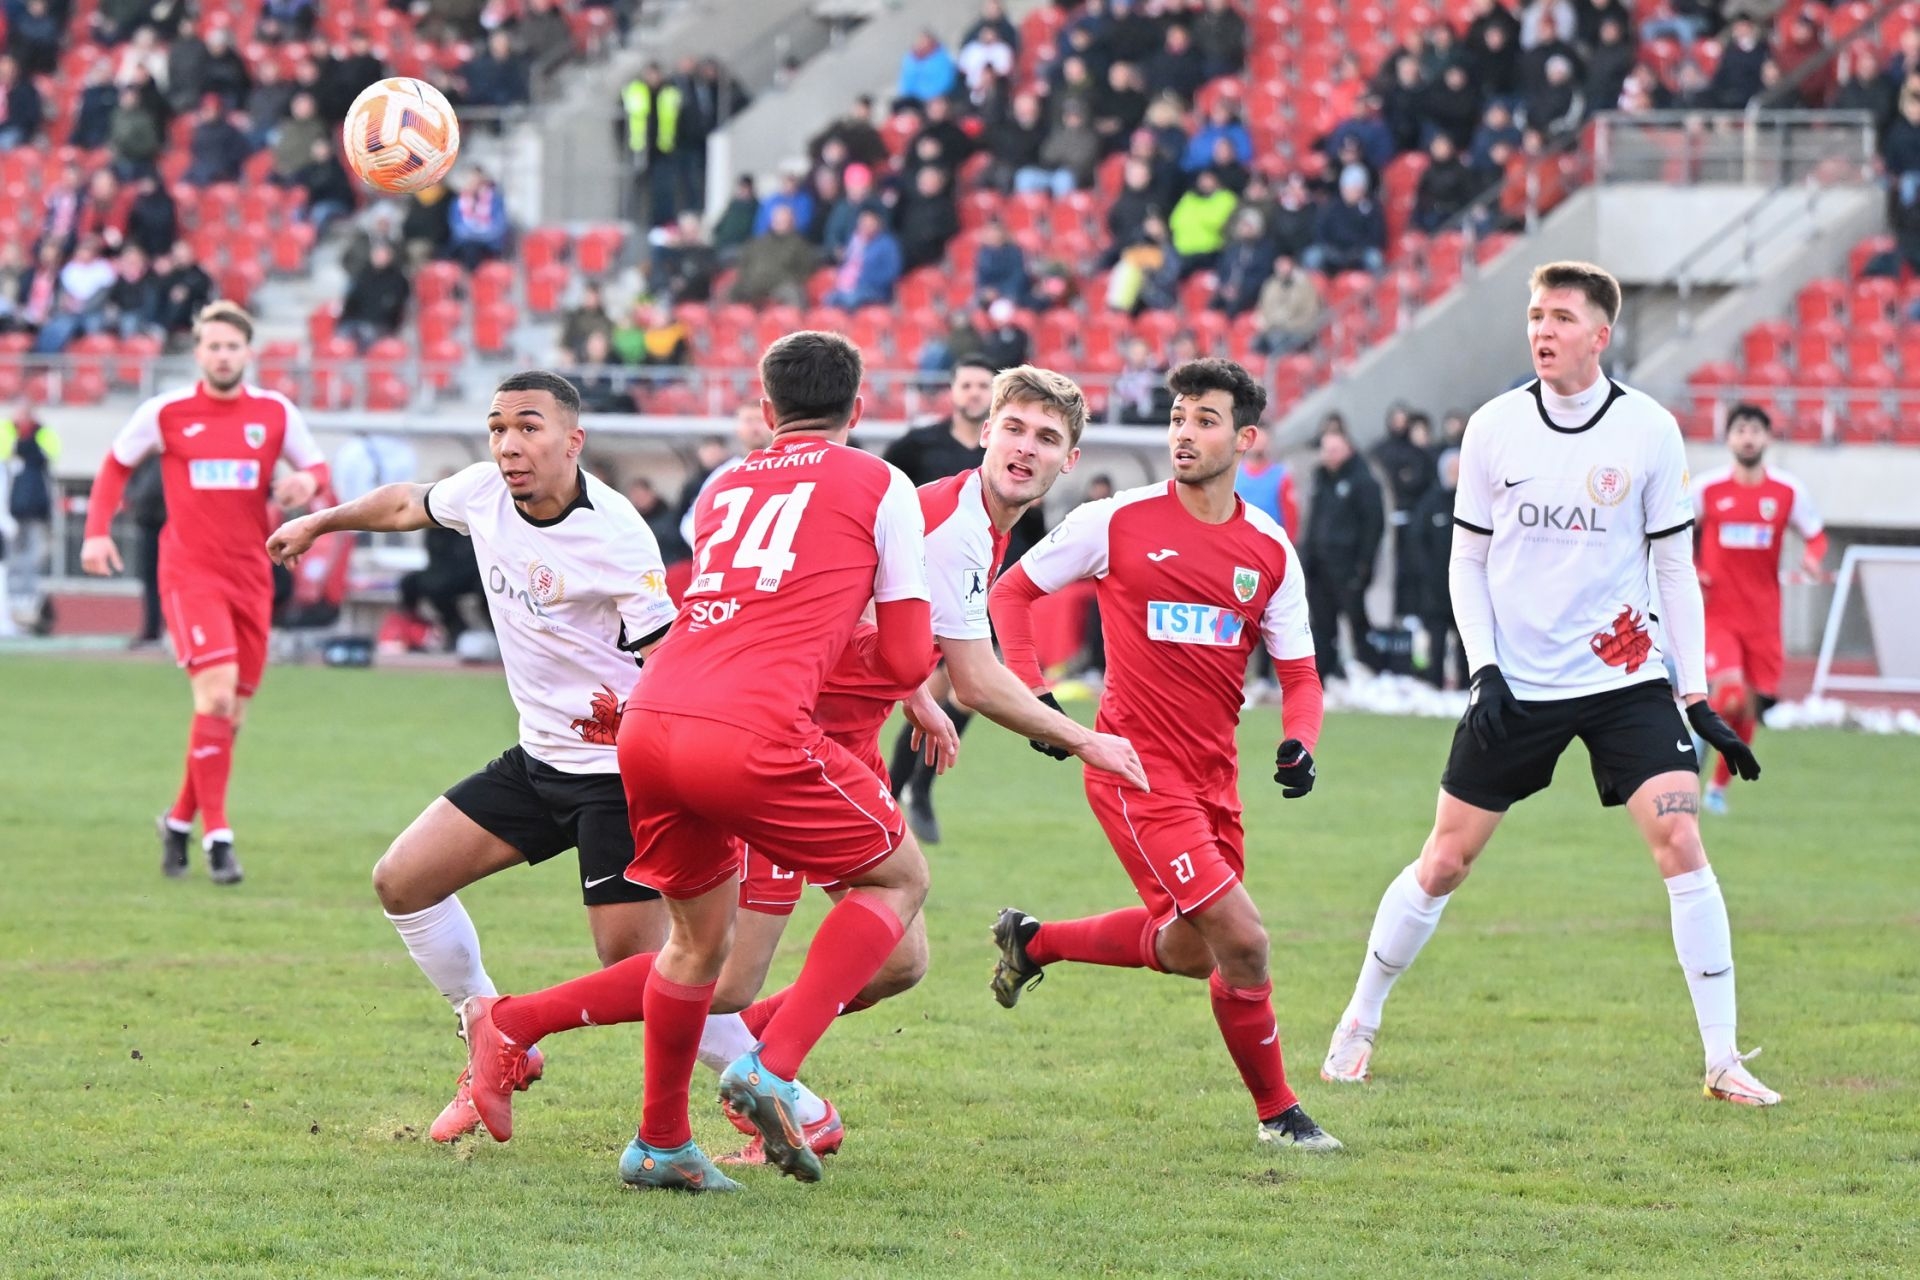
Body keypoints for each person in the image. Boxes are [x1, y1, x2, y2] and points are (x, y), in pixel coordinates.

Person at [456, 332, 937, 1192]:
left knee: (696, 948)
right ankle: (772, 1067)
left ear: (767, 409)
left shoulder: (724, 485)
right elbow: (904, 661)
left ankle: (659, 1142)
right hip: (755, 730)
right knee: (898, 882)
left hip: (652, 719)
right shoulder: (882, 482)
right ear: (859, 409)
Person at [265, 370, 783, 1142]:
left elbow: (668, 658)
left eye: (529, 427)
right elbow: (406, 502)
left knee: (645, 972)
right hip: (539, 763)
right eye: (498, 427)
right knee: (403, 880)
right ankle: (489, 1033)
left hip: (619, 777)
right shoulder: (481, 493)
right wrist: (320, 522)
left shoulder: (615, 533)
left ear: (573, 441)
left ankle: (783, 1095)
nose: (509, 443)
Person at [1320, 261, 1775, 1108]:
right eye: (1536, 315)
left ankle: (1722, 1060)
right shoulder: (1494, 427)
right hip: (1517, 684)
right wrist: (1484, 668)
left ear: (1601, 334)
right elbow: (1467, 560)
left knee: (1681, 840)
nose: (1543, 330)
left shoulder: (1648, 430)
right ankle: (1359, 1019)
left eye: (1562, 317)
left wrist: (1694, 695)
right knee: (1444, 861)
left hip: (1625, 677)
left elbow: (1675, 570)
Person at [714, 367, 1146, 1165]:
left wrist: (912, 691)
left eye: (1046, 437)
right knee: (722, 978)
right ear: (984, 432)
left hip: (843, 742)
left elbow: (874, 607)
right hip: (792, 741)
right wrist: (1087, 740)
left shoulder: (966, 517)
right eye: (1014, 428)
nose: (1026, 447)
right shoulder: (954, 521)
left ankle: (749, 1065)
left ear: (1069, 460)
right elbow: (976, 680)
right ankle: (537, 1027)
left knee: (898, 961)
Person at [986, 357, 1342, 1152]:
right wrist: (1035, 697)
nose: (1184, 433)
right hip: (1133, 773)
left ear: (1245, 439)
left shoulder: (1269, 549)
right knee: (1244, 943)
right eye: (1178, 417)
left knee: (1189, 951)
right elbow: (1011, 592)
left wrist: (1300, 742)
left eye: (1205, 420)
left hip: (1215, 780)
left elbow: (1300, 675)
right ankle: (1279, 1115)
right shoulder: (1116, 521)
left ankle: (1032, 941)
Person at [81, 302, 330, 885]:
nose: (222, 356)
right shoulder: (166, 412)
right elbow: (115, 465)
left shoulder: (274, 412)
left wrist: (305, 482)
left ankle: (177, 822)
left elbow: (318, 469)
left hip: (252, 576)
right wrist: (95, 532)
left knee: (229, 716)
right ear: (198, 353)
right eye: (213, 346)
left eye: (232, 346)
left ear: (248, 353)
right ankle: (219, 837)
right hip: (190, 575)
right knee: (216, 697)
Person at [881, 357, 998, 841]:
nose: (974, 393)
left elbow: (1025, 527)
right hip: (924, 588)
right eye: (966, 384)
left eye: (983, 386)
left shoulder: (1001, 452)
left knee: (969, 695)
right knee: (932, 692)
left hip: (980, 589)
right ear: (952, 390)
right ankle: (897, 791)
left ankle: (914, 789)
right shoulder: (918, 444)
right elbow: (884, 494)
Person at [1690, 403, 1826, 816]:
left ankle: (1717, 789)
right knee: (1730, 695)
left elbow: (1816, 536)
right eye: (1740, 430)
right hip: (1719, 614)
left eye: (1754, 430)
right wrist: (1694, 569)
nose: (1747, 437)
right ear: (1729, 438)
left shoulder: (1786, 491)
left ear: (1767, 438)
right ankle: (1685, 756)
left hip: (1764, 618)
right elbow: (1676, 533)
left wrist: (1813, 559)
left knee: (1748, 708)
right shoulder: (1707, 490)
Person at [1302, 417, 1384, 681]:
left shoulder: (1363, 481)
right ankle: (1323, 676)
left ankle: (1369, 671)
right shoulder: (1319, 479)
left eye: (1335, 450)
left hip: (1348, 565)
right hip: (1320, 565)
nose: (1329, 456)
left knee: (1357, 621)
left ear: (1348, 449)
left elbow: (1374, 525)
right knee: (1322, 625)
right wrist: (1307, 556)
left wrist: (1364, 564)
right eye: (1326, 450)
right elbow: (1312, 520)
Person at [1405, 447, 1467, 689]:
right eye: (1452, 470)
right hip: (1436, 587)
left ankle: (1465, 686)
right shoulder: (1430, 502)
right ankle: (1434, 686)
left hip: (1465, 585)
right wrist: (1427, 572)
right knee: (1436, 640)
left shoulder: (1472, 503)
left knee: (1466, 641)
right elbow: (1416, 540)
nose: (1456, 475)